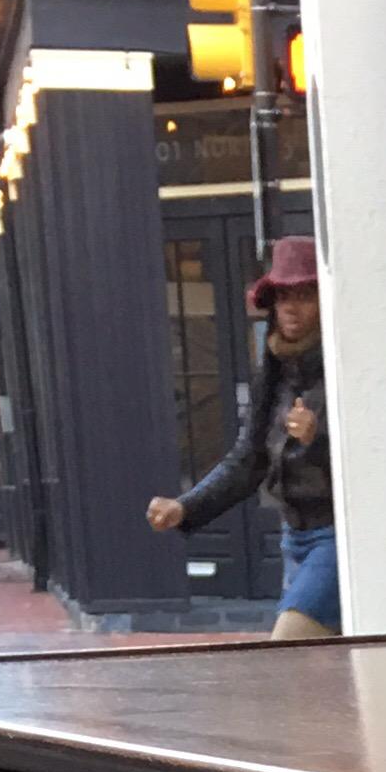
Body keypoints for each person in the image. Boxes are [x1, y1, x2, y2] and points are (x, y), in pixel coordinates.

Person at [146, 233, 334, 637]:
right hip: (294, 537)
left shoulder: (341, 368)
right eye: (282, 297)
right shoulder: (279, 372)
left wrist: (317, 438)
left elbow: (377, 454)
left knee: (291, 642)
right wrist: (187, 507)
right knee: (319, 666)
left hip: (336, 535)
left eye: (304, 295)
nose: (291, 308)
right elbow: (249, 459)